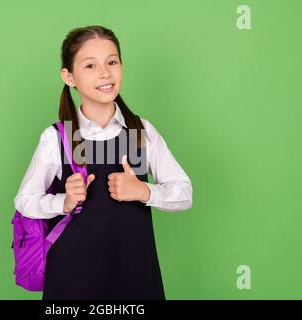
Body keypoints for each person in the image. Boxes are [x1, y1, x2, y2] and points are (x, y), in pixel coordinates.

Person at [14, 25, 193, 300]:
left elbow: (184, 193)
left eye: (112, 62)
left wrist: (143, 191)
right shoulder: (57, 138)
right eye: (90, 66)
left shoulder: (140, 132)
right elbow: (25, 200)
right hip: (72, 278)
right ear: (69, 76)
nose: (105, 73)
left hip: (134, 274)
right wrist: (62, 202)